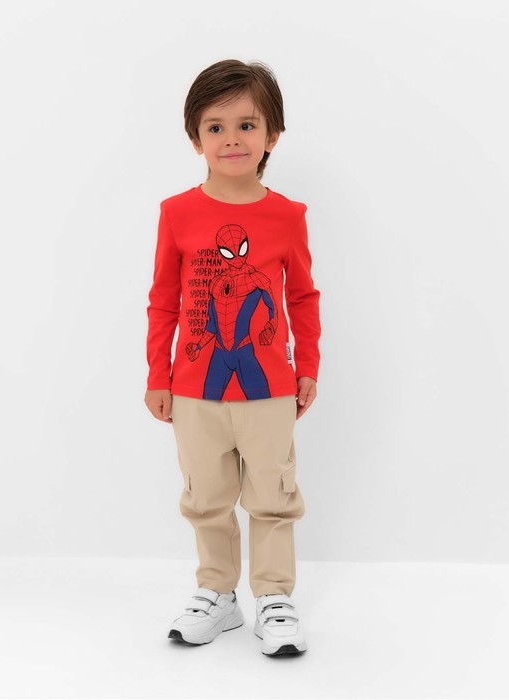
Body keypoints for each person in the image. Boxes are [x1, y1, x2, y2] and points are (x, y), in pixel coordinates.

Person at [144, 58, 321, 656]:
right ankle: (218, 594)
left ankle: (273, 597)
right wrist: (159, 374)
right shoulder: (177, 213)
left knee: (272, 495)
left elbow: (301, 297)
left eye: (247, 124)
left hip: (268, 385)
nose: (232, 139)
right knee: (206, 497)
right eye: (215, 127)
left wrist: (307, 367)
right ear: (196, 138)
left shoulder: (287, 216)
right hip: (196, 387)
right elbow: (164, 300)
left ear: (272, 136)